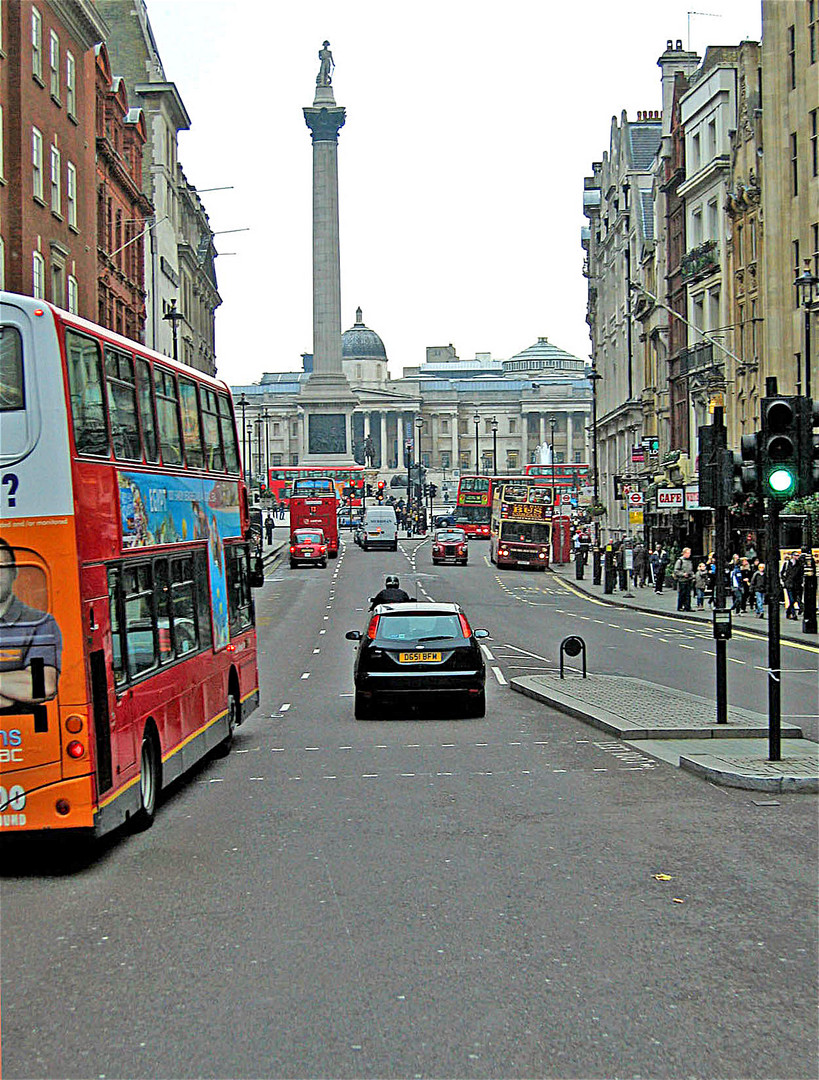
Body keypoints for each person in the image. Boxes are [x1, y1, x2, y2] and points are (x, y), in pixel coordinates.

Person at [0, 538, 62, 708]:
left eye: (1, 567)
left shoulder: (39, 624)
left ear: (14, 572)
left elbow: (41, 686)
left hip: (25, 727)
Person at [674, 546, 694, 611]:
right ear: (684, 553)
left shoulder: (690, 561)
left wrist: (692, 575)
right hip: (682, 580)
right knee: (682, 594)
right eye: (688, 553)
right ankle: (680, 607)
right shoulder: (680, 561)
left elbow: (691, 570)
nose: (689, 554)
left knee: (688, 594)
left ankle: (687, 607)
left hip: (689, 580)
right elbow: (676, 571)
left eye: (690, 553)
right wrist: (683, 574)